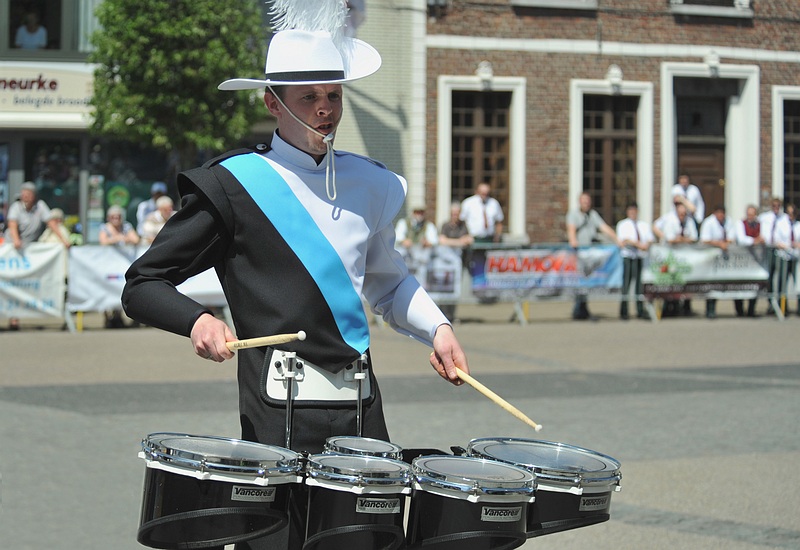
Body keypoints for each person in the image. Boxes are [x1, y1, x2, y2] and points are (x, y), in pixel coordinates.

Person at [122, 20, 469, 550]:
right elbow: (143, 283)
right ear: (271, 103)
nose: (325, 107)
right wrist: (198, 319)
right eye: (308, 97)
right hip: (277, 412)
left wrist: (437, 329)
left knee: (368, 542)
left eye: (334, 94)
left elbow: (386, 281)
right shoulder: (232, 185)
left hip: (360, 403)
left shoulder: (372, 184)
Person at [566, 192, 619, 320]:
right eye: (584, 201)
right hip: (579, 253)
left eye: (588, 201)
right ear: (579, 202)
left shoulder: (593, 215)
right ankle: (578, 309)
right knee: (579, 281)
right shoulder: (573, 215)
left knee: (586, 281)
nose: (586, 203)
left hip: (589, 254)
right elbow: (571, 230)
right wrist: (573, 241)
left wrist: (617, 239)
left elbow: (603, 227)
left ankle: (582, 308)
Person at [615, 202, 653, 320]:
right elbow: (624, 240)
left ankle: (640, 309)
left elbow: (650, 239)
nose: (633, 213)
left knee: (639, 286)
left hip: (639, 257)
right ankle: (624, 310)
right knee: (626, 284)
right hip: (628, 257)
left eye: (634, 210)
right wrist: (637, 244)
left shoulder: (643, 225)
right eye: (630, 210)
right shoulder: (623, 225)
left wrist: (645, 245)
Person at [660, 202, 698, 316]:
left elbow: (694, 237)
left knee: (686, 282)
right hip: (672, 257)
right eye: (680, 213)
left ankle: (686, 307)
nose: (682, 215)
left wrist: (680, 239)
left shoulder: (689, 222)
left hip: (686, 257)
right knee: (671, 281)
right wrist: (684, 239)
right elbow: (670, 239)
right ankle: (669, 307)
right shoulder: (670, 221)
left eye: (684, 213)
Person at [438, 202, 474, 322]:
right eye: (453, 214)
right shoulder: (445, 226)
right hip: (445, 264)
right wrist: (459, 242)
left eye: (457, 214)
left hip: (459, 263)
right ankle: (442, 315)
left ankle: (452, 316)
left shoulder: (463, 225)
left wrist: (452, 241)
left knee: (455, 290)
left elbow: (469, 239)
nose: (455, 216)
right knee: (444, 289)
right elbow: (442, 241)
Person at [699, 205, 735, 319]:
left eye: (722, 213)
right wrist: (719, 244)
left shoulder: (728, 222)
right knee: (711, 284)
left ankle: (739, 309)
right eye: (718, 213)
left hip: (725, 259)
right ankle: (710, 309)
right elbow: (704, 239)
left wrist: (727, 242)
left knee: (732, 282)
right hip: (711, 259)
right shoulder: (708, 223)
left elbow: (732, 237)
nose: (721, 215)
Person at [759, 197, 788, 315]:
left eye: (778, 206)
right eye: (774, 205)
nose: (776, 208)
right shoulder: (765, 217)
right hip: (769, 249)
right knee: (769, 276)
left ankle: (782, 304)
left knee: (782, 277)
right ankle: (771, 303)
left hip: (781, 250)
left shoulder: (784, 218)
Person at [734, 204, 764, 317]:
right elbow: (742, 239)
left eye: (753, 214)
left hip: (754, 261)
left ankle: (751, 309)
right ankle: (739, 310)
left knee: (754, 284)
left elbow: (763, 237)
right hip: (741, 259)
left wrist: (759, 240)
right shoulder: (740, 223)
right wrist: (755, 241)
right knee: (739, 284)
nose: (750, 216)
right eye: (749, 214)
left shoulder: (760, 224)